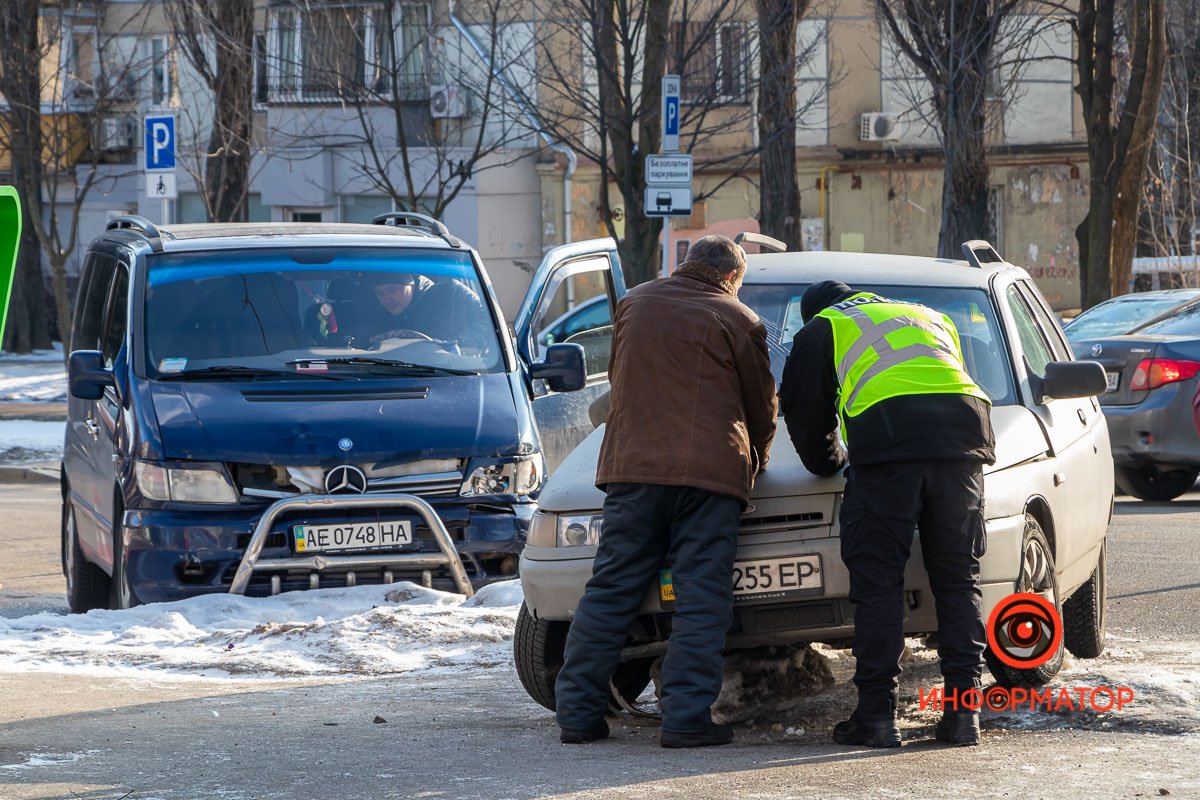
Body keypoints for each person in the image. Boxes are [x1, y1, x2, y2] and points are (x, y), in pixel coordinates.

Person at [554, 235, 777, 749]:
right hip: (708, 476)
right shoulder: (738, 318)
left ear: (687, 265)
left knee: (611, 589)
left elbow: (622, 380)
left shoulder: (634, 303)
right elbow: (761, 403)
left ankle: (579, 715)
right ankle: (685, 720)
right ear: (730, 277)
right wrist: (757, 459)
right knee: (700, 597)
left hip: (632, 469)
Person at [780, 280, 995, 748]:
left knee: (879, 585)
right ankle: (964, 718)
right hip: (964, 441)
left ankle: (877, 718)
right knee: (959, 580)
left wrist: (829, 461)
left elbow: (805, 413)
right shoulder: (927, 313)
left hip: (889, 448)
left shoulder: (825, 326)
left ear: (815, 312)